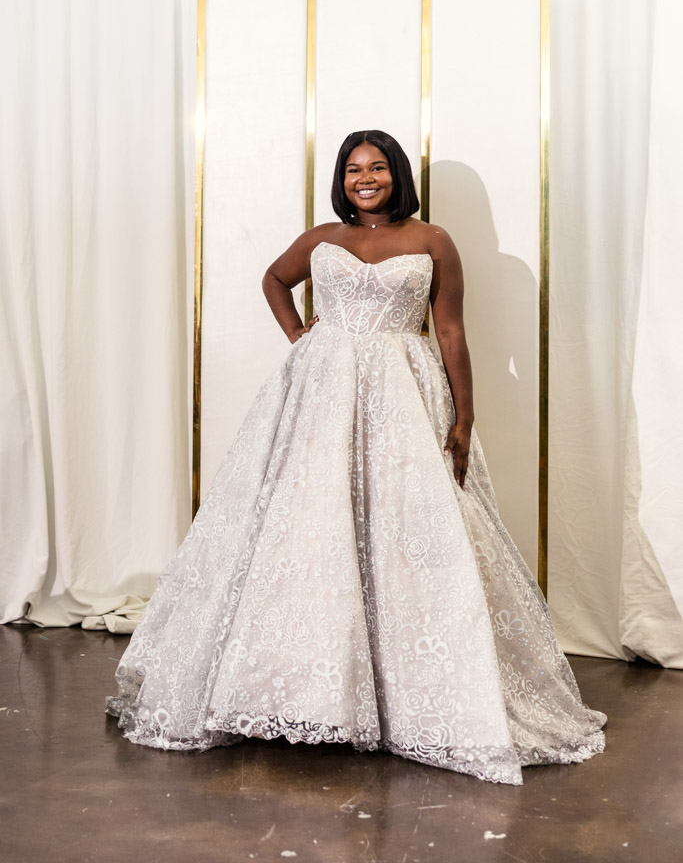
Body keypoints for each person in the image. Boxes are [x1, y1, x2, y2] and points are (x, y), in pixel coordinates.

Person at [106, 129, 606, 785]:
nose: (363, 179)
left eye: (375, 168)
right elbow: (273, 278)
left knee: (406, 528)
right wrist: (296, 332)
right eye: (351, 170)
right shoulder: (322, 240)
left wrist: (465, 414)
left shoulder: (432, 241)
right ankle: (294, 690)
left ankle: (409, 691)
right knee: (307, 521)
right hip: (320, 390)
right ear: (341, 182)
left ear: (397, 174)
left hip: (402, 388)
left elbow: (449, 328)